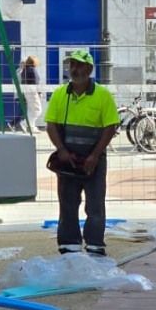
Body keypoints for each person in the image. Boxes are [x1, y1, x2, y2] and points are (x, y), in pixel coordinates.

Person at [44, 49, 120, 256]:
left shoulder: (102, 96)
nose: (75, 69)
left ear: (89, 69)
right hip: (68, 159)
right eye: (72, 65)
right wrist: (61, 151)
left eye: (79, 65)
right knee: (67, 203)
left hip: (93, 159)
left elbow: (110, 127)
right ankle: (69, 244)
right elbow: (51, 125)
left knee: (95, 204)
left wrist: (95, 155)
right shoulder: (61, 94)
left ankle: (95, 244)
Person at [20, 55, 43, 129]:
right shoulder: (32, 70)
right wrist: (39, 93)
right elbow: (36, 82)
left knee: (31, 110)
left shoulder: (24, 70)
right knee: (37, 110)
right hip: (33, 92)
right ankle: (24, 123)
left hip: (27, 91)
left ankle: (31, 126)